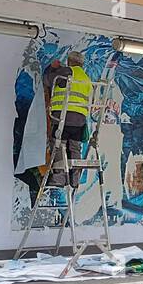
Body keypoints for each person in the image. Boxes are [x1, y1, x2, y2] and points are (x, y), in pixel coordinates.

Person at [43, 50, 93, 185]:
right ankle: (75, 179)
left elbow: (48, 80)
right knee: (75, 147)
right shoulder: (86, 78)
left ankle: (59, 178)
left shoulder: (67, 72)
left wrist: (52, 68)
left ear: (69, 61)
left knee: (58, 144)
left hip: (63, 117)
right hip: (80, 121)